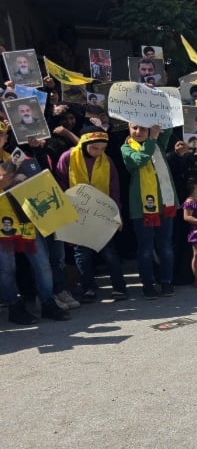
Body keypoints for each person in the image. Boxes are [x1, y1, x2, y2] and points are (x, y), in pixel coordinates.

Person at [53, 127, 128, 301]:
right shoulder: (68, 157)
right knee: (82, 254)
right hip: (77, 214)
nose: (98, 152)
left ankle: (120, 287)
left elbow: (114, 189)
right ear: (85, 144)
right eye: (95, 148)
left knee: (109, 252)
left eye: (102, 149)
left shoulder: (107, 161)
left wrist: (117, 213)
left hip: (101, 214)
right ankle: (89, 288)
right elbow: (60, 182)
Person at [0, 160, 71, 324]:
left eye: (2, 134)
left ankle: (47, 303)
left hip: (26, 219)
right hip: (3, 222)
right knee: (6, 269)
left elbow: (40, 179)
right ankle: (14, 307)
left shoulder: (15, 158)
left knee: (42, 265)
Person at [123, 122, 177, 298]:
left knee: (165, 246)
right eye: (134, 128)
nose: (138, 132)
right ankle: (148, 284)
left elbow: (168, 128)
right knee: (145, 248)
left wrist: (158, 120)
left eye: (143, 128)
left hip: (165, 203)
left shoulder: (158, 144)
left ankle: (167, 281)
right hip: (142, 207)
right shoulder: (126, 148)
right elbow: (141, 159)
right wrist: (152, 137)